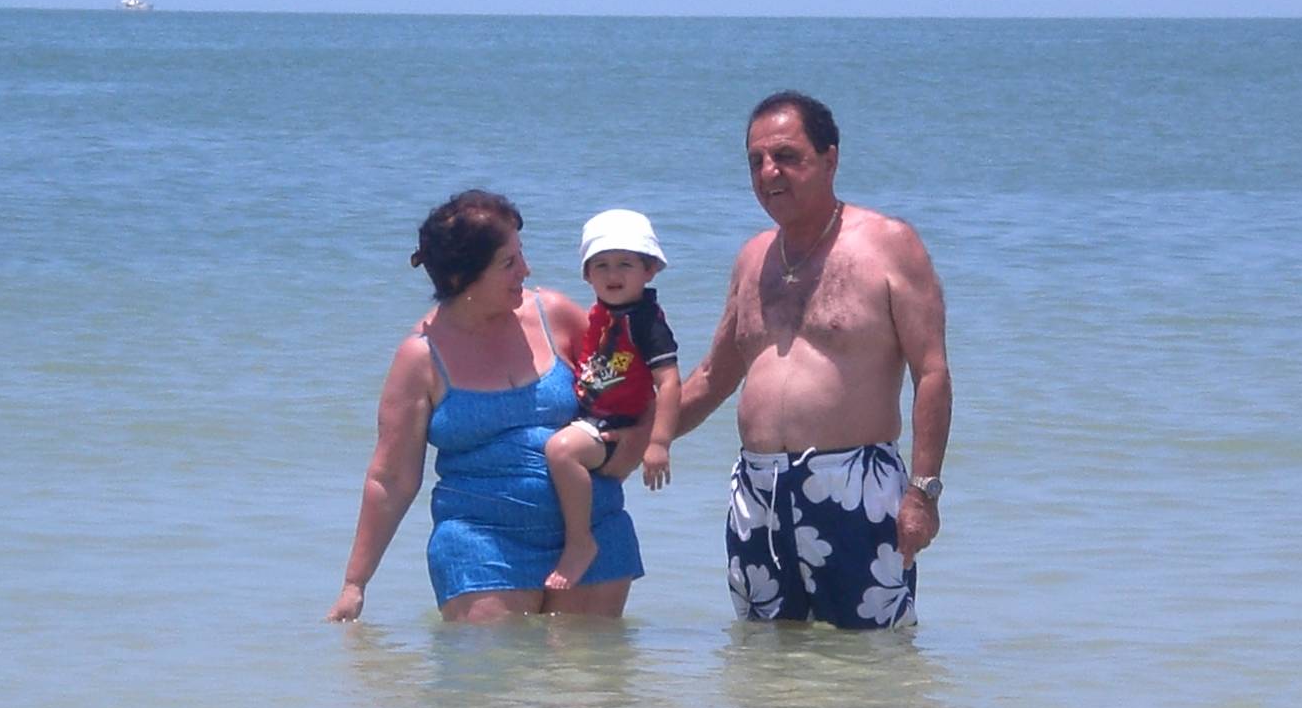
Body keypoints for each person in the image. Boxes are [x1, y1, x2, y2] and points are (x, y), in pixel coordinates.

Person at [676, 92, 952, 628]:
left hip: (854, 486)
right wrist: (629, 440)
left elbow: (932, 373)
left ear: (830, 159)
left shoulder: (889, 245)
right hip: (758, 491)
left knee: (869, 656)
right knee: (762, 656)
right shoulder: (753, 258)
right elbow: (712, 377)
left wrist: (923, 492)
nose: (768, 172)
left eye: (786, 156)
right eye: (756, 161)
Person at [326, 190, 651, 624]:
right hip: (480, 544)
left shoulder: (555, 315)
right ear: (462, 277)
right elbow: (392, 478)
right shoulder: (421, 357)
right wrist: (355, 585)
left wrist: (639, 442)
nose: (526, 270)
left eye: (521, 254)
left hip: (593, 536)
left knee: (586, 670)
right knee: (494, 670)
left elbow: (639, 381)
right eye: (508, 262)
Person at [543, 210, 681, 590]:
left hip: (614, 428)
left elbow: (669, 383)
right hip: (591, 417)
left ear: (649, 270)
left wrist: (657, 443)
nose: (612, 274)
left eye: (625, 264)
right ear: (587, 275)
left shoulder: (646, 322)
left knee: (561, 452)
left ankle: (580, 542)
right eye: (601, 265)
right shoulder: (601, 314)